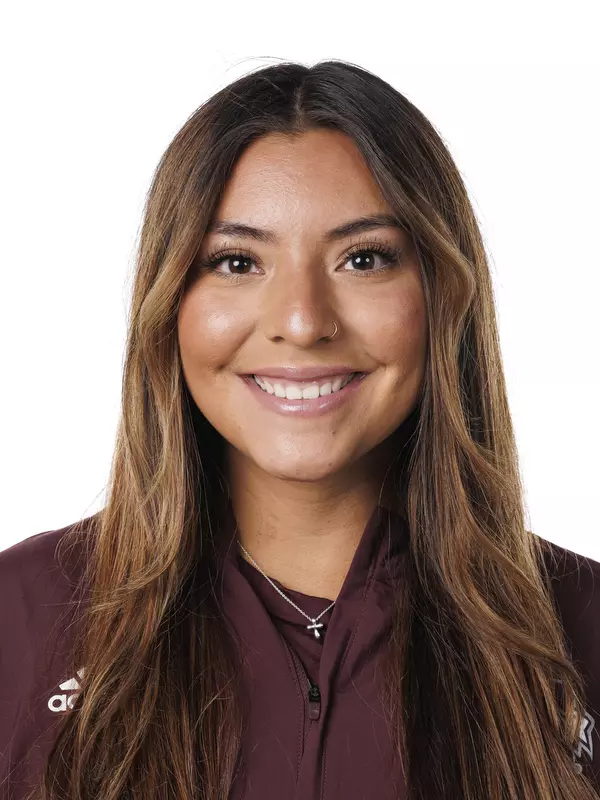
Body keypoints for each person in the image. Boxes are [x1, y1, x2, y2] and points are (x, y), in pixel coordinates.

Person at [1, 59, 599, 800]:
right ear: (170, 304)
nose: (302, 321)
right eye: (237, 261)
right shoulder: (19, 617)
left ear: (442, 294)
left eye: (364, 258)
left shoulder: (581, 626)